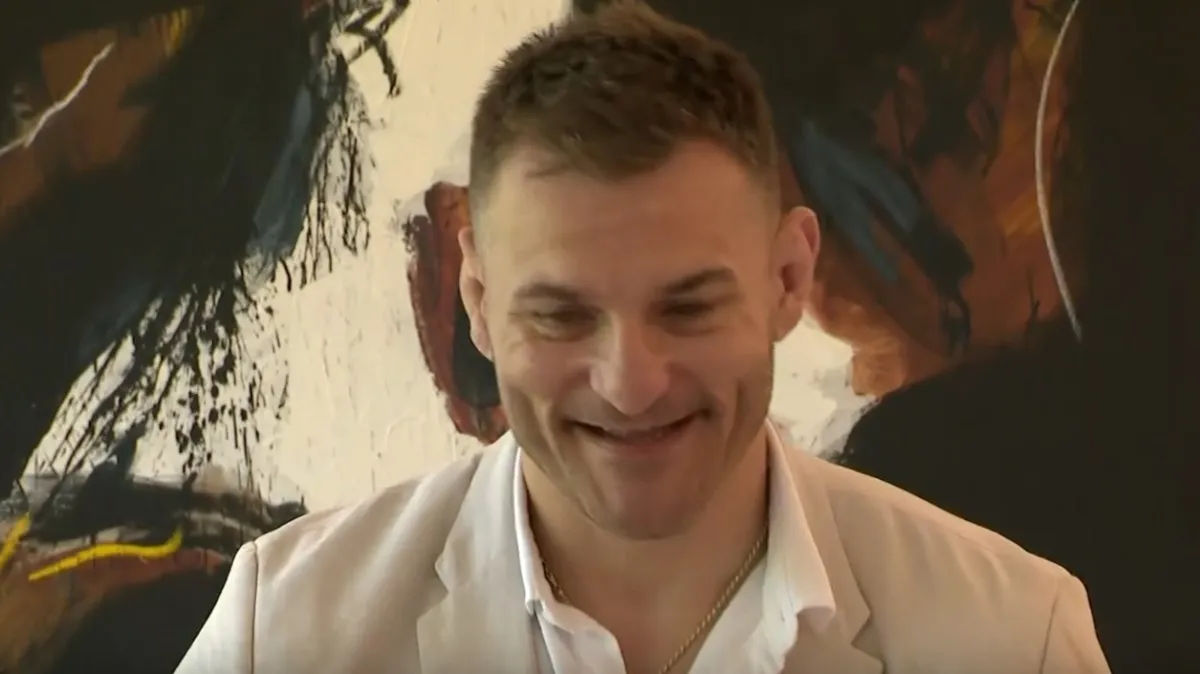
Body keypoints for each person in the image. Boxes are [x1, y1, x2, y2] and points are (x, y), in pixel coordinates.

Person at [173, 3, 1110, 673]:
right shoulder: (287, 632)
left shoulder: (1007, 638)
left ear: (788, 280)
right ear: (479, 301)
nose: (630, 383)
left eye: (689, 308)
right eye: (561, 315)